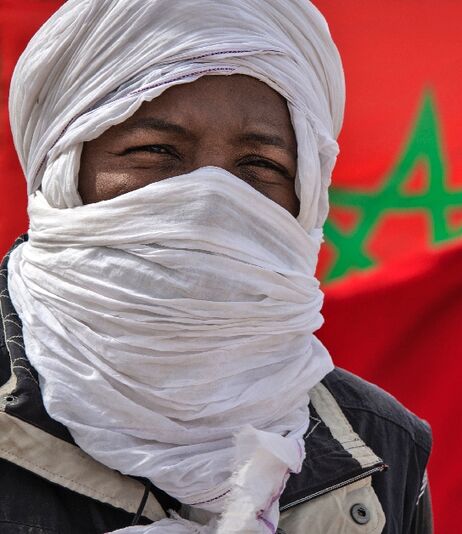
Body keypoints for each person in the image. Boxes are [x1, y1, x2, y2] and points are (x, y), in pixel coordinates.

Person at [0, 1, 432, 532]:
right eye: (156, 149)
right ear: (63, 173)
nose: (210, 198)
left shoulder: (380, 444)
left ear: (306, 199)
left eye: (260, 165)